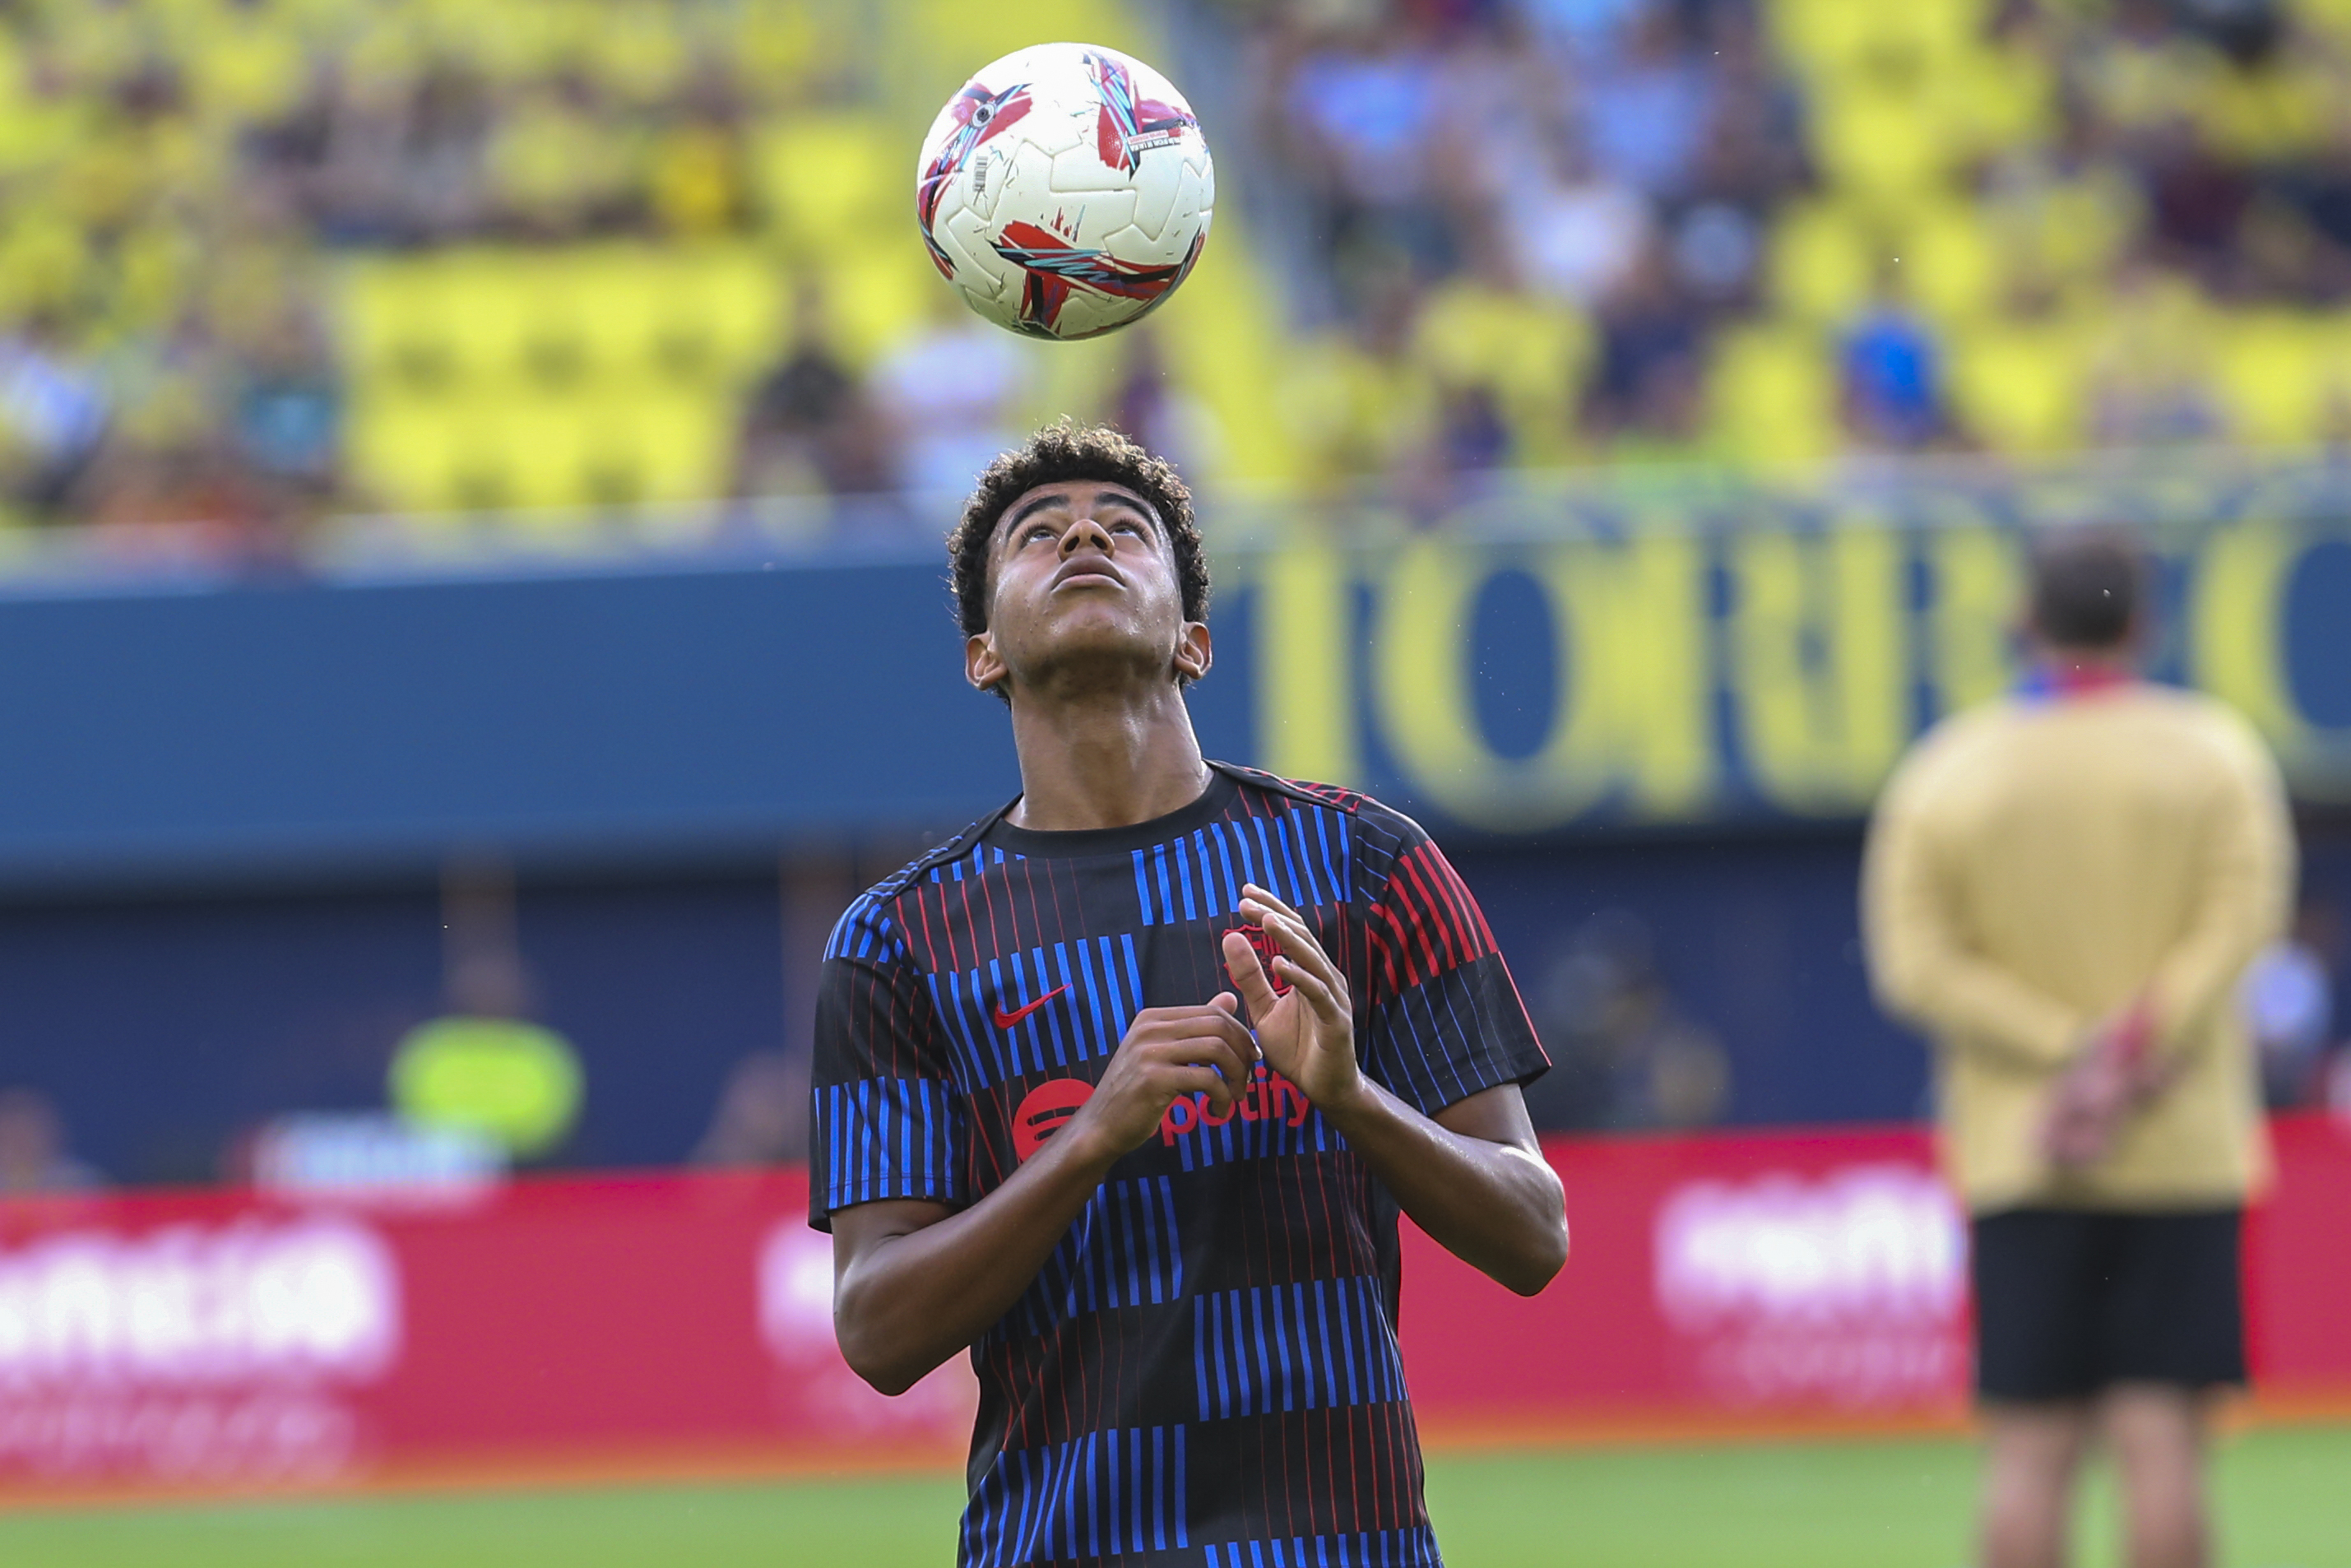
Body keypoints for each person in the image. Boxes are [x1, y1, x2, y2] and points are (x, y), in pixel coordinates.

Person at [812, 421, 1566, 1566]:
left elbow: (1533, 1232)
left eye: (1125, 530)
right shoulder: (898, 941)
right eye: (1037, 534)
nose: (1082, 538)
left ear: (1194, 640)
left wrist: (1352, 1095)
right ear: (983, 654)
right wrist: (1088, 1140)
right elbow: (875, 1328)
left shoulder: (1365, 863)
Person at [1863, 528, 2293, 1568]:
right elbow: (2240, 916)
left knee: (2028, 1448)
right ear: (2141, 623)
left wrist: (2068, 1052)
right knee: (2164, 1444)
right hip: (2178, 1140)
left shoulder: (1946, 771)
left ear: (2026, 620)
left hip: (2027, 1149)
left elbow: (1913, 961)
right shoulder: (2213, 753)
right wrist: (2128, 1046)